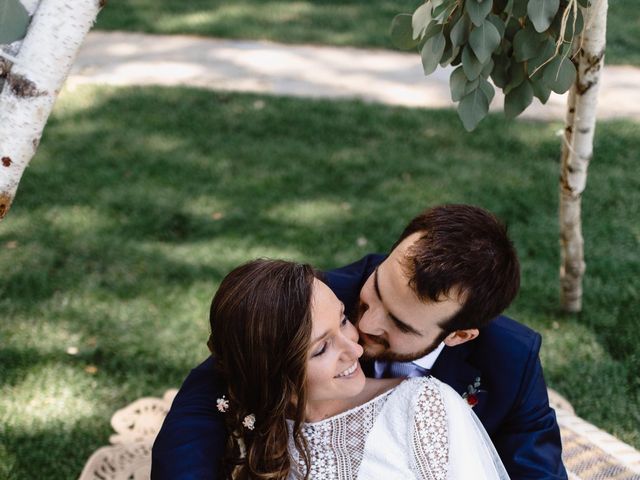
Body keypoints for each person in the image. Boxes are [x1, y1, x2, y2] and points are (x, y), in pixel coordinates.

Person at [152, 204, 567, 479]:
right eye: (376, 292)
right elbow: (217, 385)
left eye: (400, 325)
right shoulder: (322, 298)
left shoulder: (511, 359)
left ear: (458, 336)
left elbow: (537, 467)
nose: (365, 323)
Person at [207, 258, 509, 479]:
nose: (355, 348)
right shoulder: (248, 428)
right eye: (322, 348)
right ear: (273, 373)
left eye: (342, 321)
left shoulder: (421, 406)